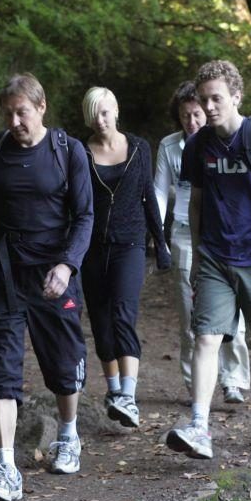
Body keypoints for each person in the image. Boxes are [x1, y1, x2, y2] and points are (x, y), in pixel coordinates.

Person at [0, 73, 94, 501]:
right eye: (9, 113)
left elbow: (85, 216)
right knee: (3, 368)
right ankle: (6, 466)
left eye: (23, 112)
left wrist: (67, 266)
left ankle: (68, 435)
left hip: (54, 274)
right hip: (5, 272)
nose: (15, 121)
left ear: (42, 107)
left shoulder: (68, 152)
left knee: (63, 363)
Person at [167, 60, 251, 459]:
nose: (209, 107)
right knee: (205, 338)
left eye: (216, 99)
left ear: (236, 97)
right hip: (214, 257)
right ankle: (200, 426)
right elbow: (197, 203)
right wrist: (193, 253)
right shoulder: (197, 146)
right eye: (204, 99)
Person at [154, 81, 251, 404]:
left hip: (224, 235)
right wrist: (159, 237)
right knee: (191, 316)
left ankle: (232, 379)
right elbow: (159, 192)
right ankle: (196, 385)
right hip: (184, 232)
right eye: (185, 116)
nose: (192, 122)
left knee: (232, 315)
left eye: (196, 114)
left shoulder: (225, 141)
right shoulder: (169, 147)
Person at [79, 87, 170, 429]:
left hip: (130, 244)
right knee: (101, 322)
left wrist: (159, 244)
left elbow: (148, 195)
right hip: (92, 248)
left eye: (104, 112)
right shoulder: (80, 152)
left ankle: (128, 396)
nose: (100, 121)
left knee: (123, 314)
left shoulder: (139, 148)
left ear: (116, 111)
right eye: (93, 114)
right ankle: (114, 390)